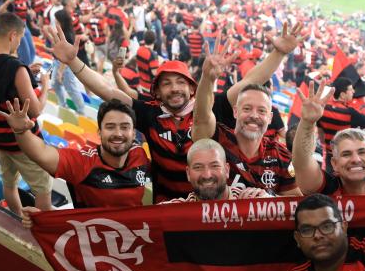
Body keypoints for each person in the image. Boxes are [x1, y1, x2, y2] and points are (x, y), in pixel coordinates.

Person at [46, 22, 303, 202]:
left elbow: (250, 82)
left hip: (210, 206)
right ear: (157, 91)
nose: (175, 89)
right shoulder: (148, 113)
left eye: (180, 82)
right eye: (167, 83)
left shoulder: (211, 104)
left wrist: (278, 53)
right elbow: (105, 90)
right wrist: (73, 61)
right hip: (168, 210)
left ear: (192, 87)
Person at [191, 37, 302, 197]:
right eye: (247, 108)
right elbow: (201, 118)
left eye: (262, 111)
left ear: (270, 118)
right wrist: (208, 78)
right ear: (235, 111)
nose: (254, 116)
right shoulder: (215, 140)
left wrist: (269, 200)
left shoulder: (280, 155)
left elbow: (295, 203)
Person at [0, 97, 150, 211]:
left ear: (133, 133)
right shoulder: (83, 162)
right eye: (110, 127)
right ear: (99, 132)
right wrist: (21, 131)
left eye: (125, 127)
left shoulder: (140, 155)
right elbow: (41, 153)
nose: (118, 133)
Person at [0, 12, 51, 216]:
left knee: (9, 183)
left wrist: (25, 73)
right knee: (43, 187)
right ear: (12, 36)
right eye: (21, 37)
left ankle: (16, 216)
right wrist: (44, 85)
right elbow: (36, 109)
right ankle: (40, 228)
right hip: (22, 141)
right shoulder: (16, 69)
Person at [291, 81, 365, 206]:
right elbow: (301, 162)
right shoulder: (326, 188)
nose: (355, 159)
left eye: (362, 152)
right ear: (335, 164)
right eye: (346, 154)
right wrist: (307, 122)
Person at [161, 139, 269, 203]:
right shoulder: (175, 211)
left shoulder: (251, 202)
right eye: (198, 167)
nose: (207, 175)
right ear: (188, 173)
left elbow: (285, 212)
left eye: (214, 166)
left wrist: (269, 201)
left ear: (227, 170)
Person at [318, 77, 365, 173]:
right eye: (350, 90)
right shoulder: (349, 113)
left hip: (330, 154)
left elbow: (321, 135)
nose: (353, 91)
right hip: (346, 157)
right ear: (342, 94)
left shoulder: (324, 109)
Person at [136, 30, 159, 97]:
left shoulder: (139, 49)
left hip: (141, 83)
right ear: (154, 40)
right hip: (149, 87)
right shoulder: (152, 55)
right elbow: (155, 73)